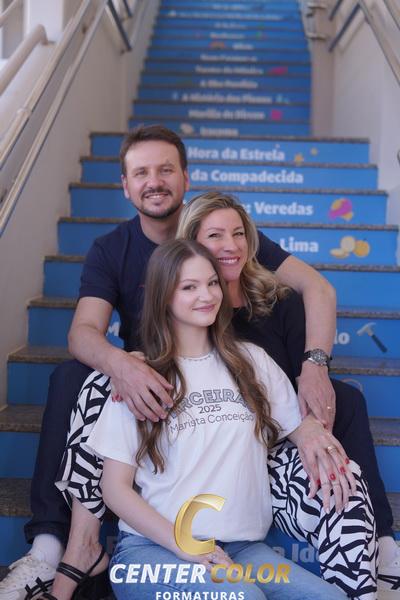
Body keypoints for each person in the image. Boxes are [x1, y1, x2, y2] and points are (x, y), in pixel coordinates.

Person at [0, 125, 396, 599]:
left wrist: (314, 367)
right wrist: (123, 366)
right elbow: (82, 336)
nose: (227, 247)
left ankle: (381, 544)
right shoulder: (116, 252)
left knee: (342, 399)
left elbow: (318, 288)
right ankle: (66, 544)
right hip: (156, 414)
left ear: (186, 178)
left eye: (166, 169)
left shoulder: (226, 241)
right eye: (141, 172)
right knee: (76, 377)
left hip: (240, 443)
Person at [51, 239, 374, 600]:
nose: (206, 295)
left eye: (212, 283)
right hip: (151, 551)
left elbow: (298, 427)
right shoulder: (141, 377)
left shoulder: (252, 361)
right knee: (243, 597)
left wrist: (318, 438)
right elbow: (114, 488)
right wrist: (187, 546)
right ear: (164, 297)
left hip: (243, 551)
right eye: (189, 287)